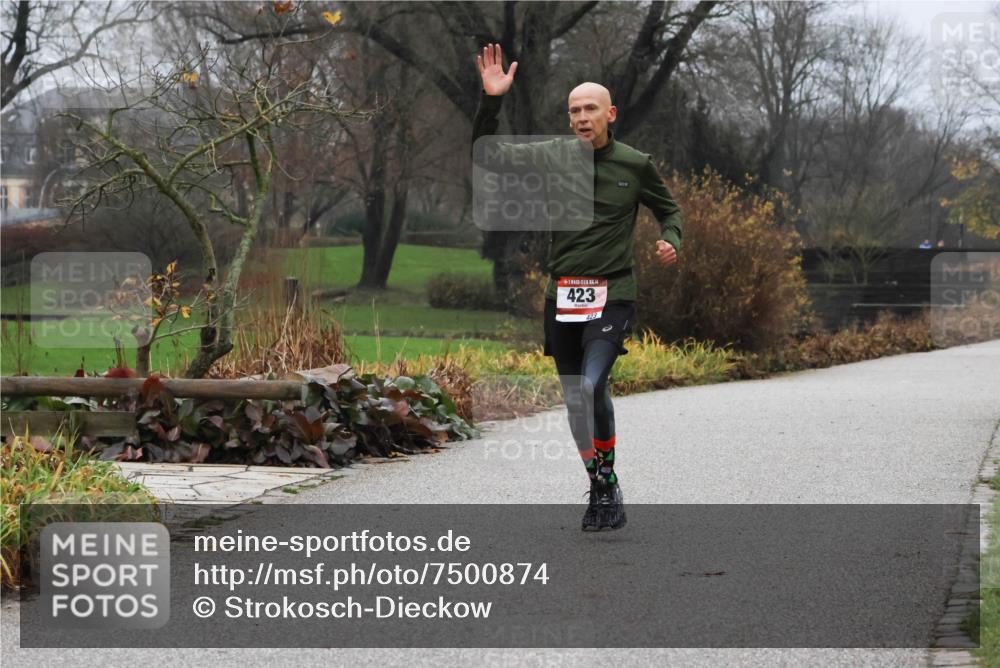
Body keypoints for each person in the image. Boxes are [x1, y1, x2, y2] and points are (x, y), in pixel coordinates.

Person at [473, 44, 682, 531]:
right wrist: (491, 101)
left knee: (590, 386)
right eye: (574, 111)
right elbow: (487, 157)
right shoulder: (553, 156)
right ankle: (603, 486)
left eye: (591, 109)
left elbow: (669, 210)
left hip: (613, 292)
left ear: (610, 114)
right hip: (562, 293)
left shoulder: (634, 164)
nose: (582, 117)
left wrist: (670, 239)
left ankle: (603, 485)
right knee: (574, 397)